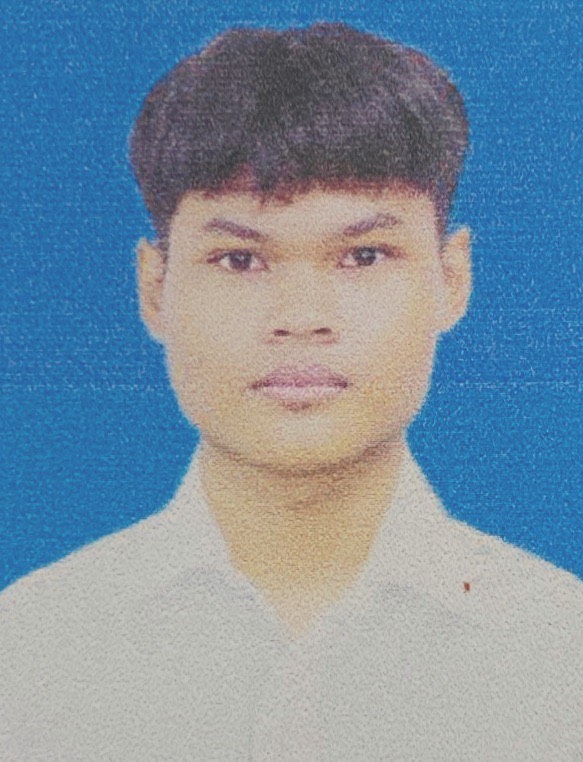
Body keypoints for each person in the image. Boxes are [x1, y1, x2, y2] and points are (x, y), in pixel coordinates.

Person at [1, 21, 581, 760]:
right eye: (239, 260)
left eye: (363, 256)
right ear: (154, 288)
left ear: (451, 277)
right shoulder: (28, 654)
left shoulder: (560, 655)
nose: (301, 319)